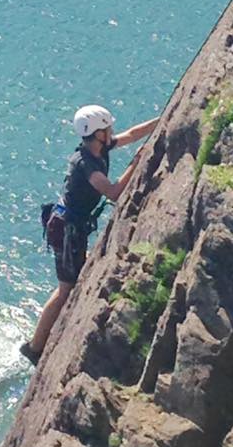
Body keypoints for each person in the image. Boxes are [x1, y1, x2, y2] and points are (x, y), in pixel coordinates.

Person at [19, 104, 159, 366]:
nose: (112, 131)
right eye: (107, 128)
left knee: (70, 283)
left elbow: (131, 134)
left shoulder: (99, 148)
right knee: (65, 290)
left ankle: (40, 342)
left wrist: (162, 120)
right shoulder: (86, 164)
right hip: (66, 228)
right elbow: (114, 192)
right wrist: (135, 163)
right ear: (98, 133)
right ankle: (35, 347)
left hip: (72, 226)